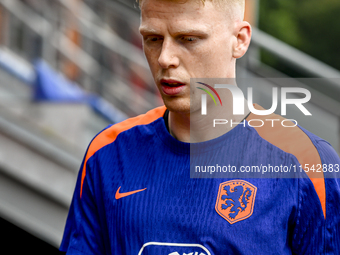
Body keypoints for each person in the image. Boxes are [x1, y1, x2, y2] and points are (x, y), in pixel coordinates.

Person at [60, 0, 340, 254]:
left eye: (188, 39)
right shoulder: (107, 154)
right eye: (153, 38)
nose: (165, 58)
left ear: (240, 41)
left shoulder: (307, 163)